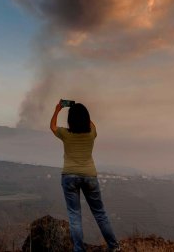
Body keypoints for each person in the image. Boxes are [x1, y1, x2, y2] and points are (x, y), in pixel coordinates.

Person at [50, 101, 120, 252]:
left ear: (70, 120)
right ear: (86, 118)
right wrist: (82, 113)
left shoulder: (65, 134)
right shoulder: (91, 133)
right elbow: (90, 124)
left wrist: (57, 110)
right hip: (89, 176)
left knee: (74, 216)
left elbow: (52, 127)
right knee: (100, 213)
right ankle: (114, 246)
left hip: (69, 176)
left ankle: (79, 249)